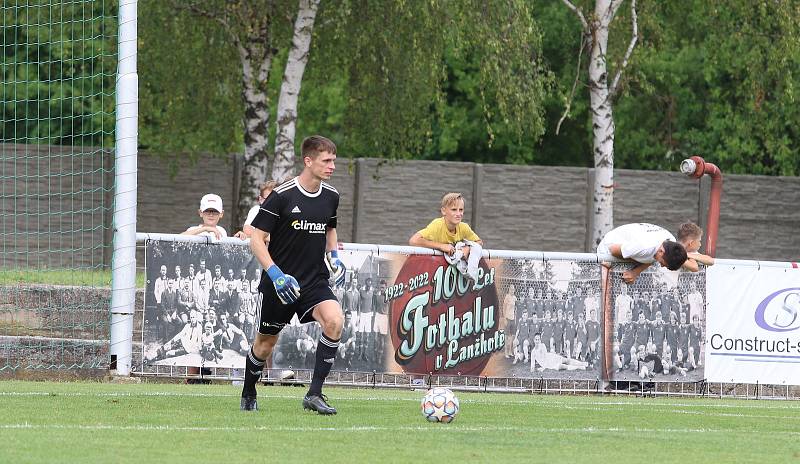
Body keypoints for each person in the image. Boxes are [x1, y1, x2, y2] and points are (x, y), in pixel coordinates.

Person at [239, 135, 345, 415]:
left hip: (314, 280)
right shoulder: (282, 196)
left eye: (334, 160)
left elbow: (330, 228)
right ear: (308, 161)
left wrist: (334, 256)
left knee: (334, 321)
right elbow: (257, 239)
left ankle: (314, 394)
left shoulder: (331, 196)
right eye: (327, 160)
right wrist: (275, 275)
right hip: (280, 283)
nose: (332, 166)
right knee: (264, 345)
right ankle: (249, 389)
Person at [596, 223, 688, 284]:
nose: (663, 266)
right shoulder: (643, 246)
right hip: (608, 249)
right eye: (664, 264)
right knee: (608, 293)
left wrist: (635, 272)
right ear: (661, 252)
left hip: (629, 247)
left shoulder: (670, 241)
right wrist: (636, 262)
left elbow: (650, 258)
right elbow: (613, 249)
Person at [408, 192, 483, 257]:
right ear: (443, 211)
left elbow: (479, 242)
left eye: (461, 210)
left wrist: (468, 248)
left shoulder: (464, 227)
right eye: (454, 209)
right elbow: (413, 240)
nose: (458, 214)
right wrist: (441, 246)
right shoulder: (437, 225)